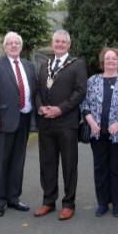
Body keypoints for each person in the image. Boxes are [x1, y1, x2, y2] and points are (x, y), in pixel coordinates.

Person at [34, 30, 87, 220]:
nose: (59, 44)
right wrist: (41, 108)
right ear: (52, 43)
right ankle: (48, 201)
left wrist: (60, 109)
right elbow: (37, 91)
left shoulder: (77, 65)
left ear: (69, 44)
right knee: (47, 164)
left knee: (69, 164)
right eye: (57, 41)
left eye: (63, 42)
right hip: (46, 123)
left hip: (66, 123)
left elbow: (80, 92)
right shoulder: (44, 65)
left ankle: (68, 203)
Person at [81, 47, 118, 217]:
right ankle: (102, 203)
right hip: (97, 133)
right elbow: (85, 104)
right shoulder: (92, 81)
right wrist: (91, 122)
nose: (111, 61)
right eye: (108, 59)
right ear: (103, 62)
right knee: (100, 168)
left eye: (114, 59)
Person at [0, 32, 37, 217]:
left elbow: (34, 92)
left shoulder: (29, 66)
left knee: (18, 161)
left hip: (23, 119)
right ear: (5, 47)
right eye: (10, 43)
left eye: (17, 43)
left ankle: (14, 197)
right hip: (3, 122)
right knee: (2, 162)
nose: (14, 46)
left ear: (21, 47)